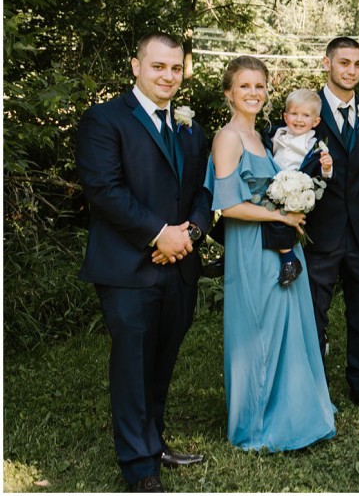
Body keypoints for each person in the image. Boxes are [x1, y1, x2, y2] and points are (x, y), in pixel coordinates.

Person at [76, 32, 212, 493]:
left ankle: (153, 441)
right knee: (133, 364)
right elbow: (104, 190)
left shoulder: (190, 126)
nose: (168, 76)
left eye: (175, 69)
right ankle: (138, 467)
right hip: (128, 266)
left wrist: (188, 234)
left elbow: (203, 190)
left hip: (180, 263)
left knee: (162, 359)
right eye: (158, 67)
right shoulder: (105, 119)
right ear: (136, 67)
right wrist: (160, 234)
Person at [205, 56, 336, 451]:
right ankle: (258, 424)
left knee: (288, 329)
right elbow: (227, 205)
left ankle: (295, 411)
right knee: (259, 330)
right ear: (229, 92)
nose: (253, 93)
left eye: (260, 86)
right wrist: (281, 213)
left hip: (281, 236)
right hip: (252, 244)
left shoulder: (263, 137)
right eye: (244, 86)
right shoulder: (227, 137)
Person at [304, 36, 359, 407]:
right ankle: (313, 384)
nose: (351, 70)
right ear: (327, 64)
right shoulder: (305, 109)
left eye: (357, 64)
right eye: (344, 63)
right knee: (314, 311)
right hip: (320, 229)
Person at [264, 88, 334, 287]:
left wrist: (327, 167)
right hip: (272, 185)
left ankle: (289, 260)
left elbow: (324, 175)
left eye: (306, 115)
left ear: (316, 121)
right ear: (285, 117)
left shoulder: (315, 145)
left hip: (296, 191)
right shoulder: (275, 135)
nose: (299, 119)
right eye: (294, 114)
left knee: (283, 221)